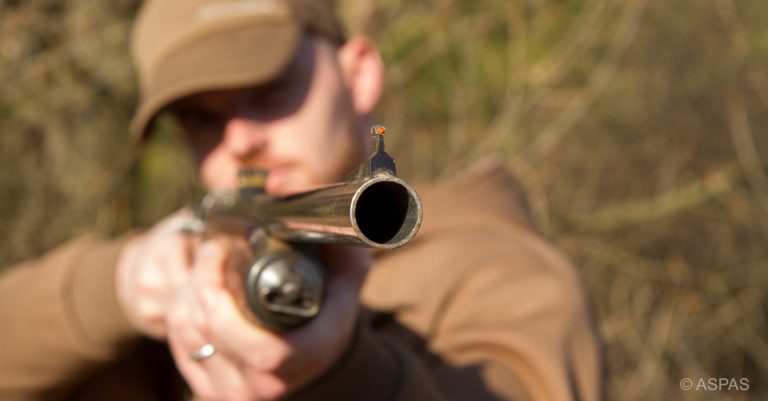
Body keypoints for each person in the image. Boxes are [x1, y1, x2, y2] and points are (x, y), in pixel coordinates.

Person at [0, 0, 603, 400]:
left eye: (269, 90)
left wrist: (338, 373)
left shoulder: (498, 271)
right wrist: (117, 287)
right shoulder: (164, 277)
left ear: (359, 74)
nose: (240, 138)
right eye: (199, 119)